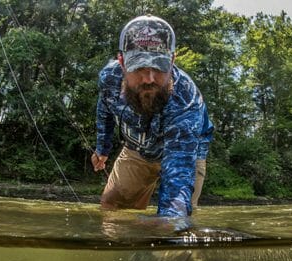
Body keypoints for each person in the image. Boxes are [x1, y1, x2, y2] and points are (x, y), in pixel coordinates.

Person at [91, 15, 213, 218]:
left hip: (184, 152)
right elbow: (105, 109)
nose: (149, 79)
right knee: (111, 206)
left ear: (172, 60)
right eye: (139, 68)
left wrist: (169, 220)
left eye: (158, 67)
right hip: (138, 147)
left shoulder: (187, 100)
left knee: (176, 220)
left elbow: (179, 176)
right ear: (122, 62)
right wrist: (102, 148)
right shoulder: (109, 78)